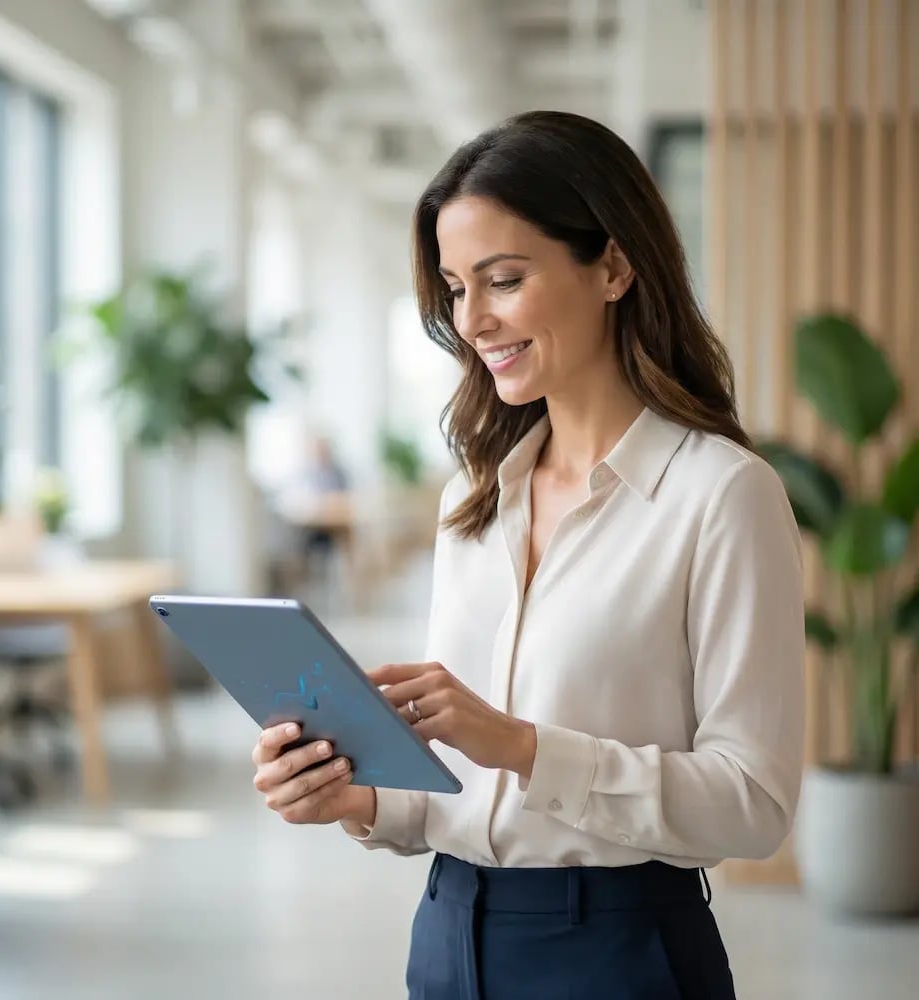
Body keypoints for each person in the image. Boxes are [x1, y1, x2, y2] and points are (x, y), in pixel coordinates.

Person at [251, 111, 804, 999]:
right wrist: (353, 799)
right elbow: (462, 794)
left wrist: (517, 743)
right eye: (455, 288)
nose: (473, 320)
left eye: (503, 280)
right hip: (447, 933)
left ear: (615, 266)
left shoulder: (722, 495)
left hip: (619, 953)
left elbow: (754, 804)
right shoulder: (474, 497)